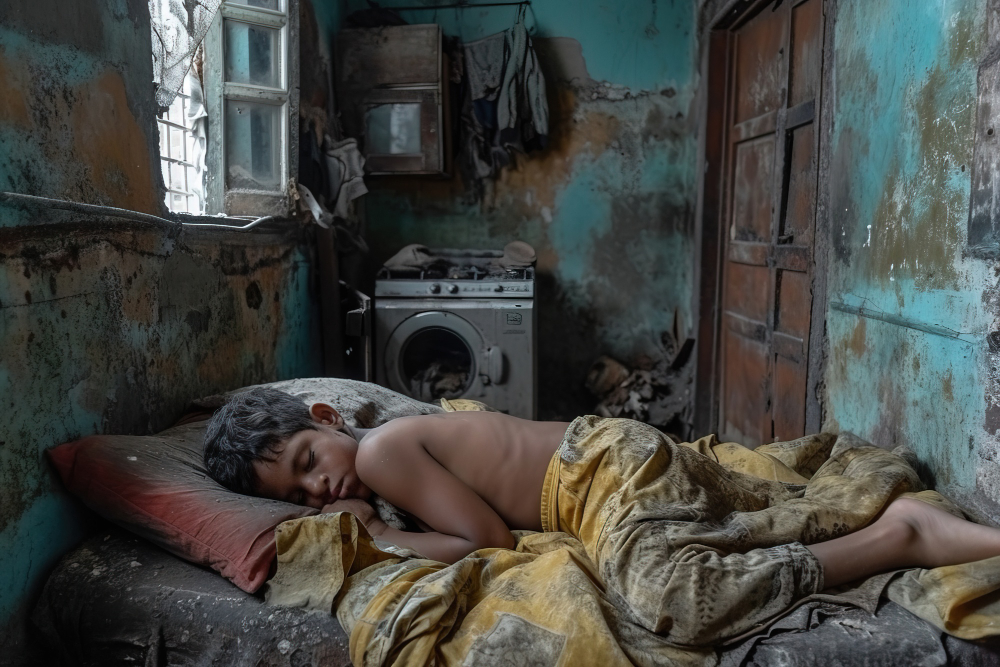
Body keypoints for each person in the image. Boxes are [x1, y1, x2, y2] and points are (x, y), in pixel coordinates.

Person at [204, 386, 1000, 645]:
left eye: (307, 459)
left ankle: (901, 535)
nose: (319, 488)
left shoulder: (380, 453)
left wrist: (381, 536)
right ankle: (912, 527)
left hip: (598, 475)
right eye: (297, 496)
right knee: (763, 519)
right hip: (610, 456)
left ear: (326, 417)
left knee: (678, 600)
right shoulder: (379, 458)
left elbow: (486, 540)